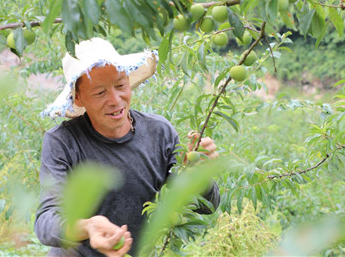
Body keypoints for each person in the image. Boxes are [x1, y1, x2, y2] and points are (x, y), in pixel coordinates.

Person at [36, 38, 220, 256]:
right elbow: (46, 222)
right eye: (100, 93)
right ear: (78, 98)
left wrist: (198, 175)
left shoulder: (159, 133)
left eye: (120, 85)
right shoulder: (63, 142)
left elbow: (205, 206)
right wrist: (88, 227)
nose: (115, 100)